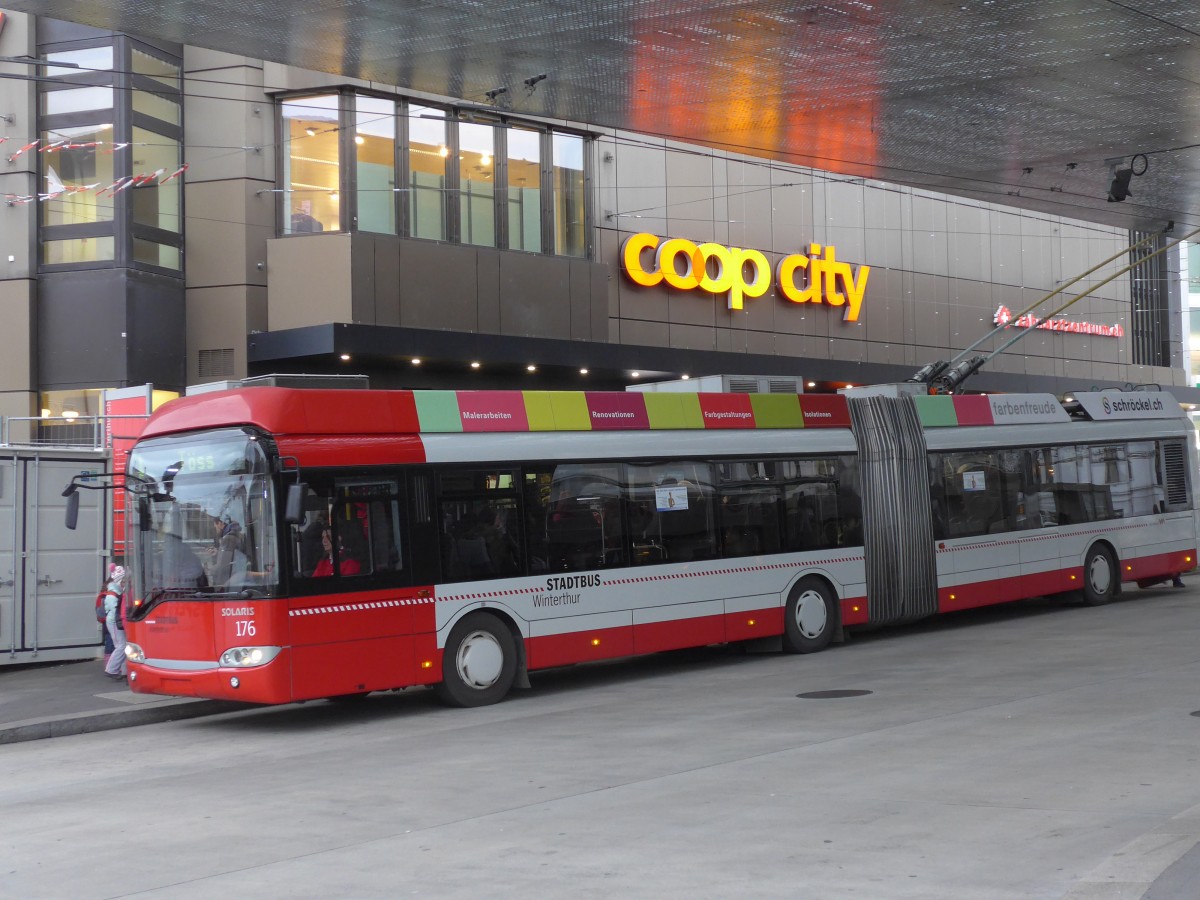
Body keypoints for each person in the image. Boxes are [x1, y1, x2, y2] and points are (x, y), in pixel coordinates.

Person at [102, 565, 128, 682]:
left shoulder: (114, 592)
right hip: (114, 623)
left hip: (115, 622)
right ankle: (111, 669)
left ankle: (124, 671)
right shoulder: (114, 593)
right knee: (121, 646)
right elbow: (116, 610)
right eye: (124, 580)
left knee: (123, 646)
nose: (125, 583)